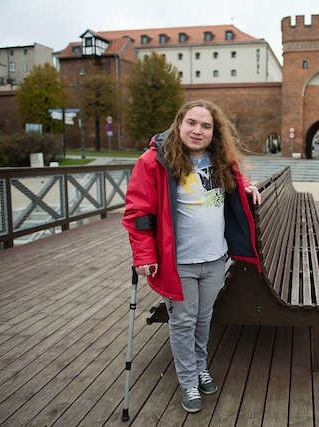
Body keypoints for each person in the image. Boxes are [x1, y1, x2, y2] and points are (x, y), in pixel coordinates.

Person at [122, 99, 261, 413]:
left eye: (206, 126)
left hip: (215, 259)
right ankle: (187, 381)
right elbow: (138, 213)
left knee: (204, 318)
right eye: (192, 123)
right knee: (183, 323)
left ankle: (200, 367)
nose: (198, 130)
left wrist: (247, 187)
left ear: (214, 132)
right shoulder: (154, 161)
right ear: (179, 124)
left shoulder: (220, 160)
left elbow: (233, 185)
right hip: (179, 262)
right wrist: (144, 254)